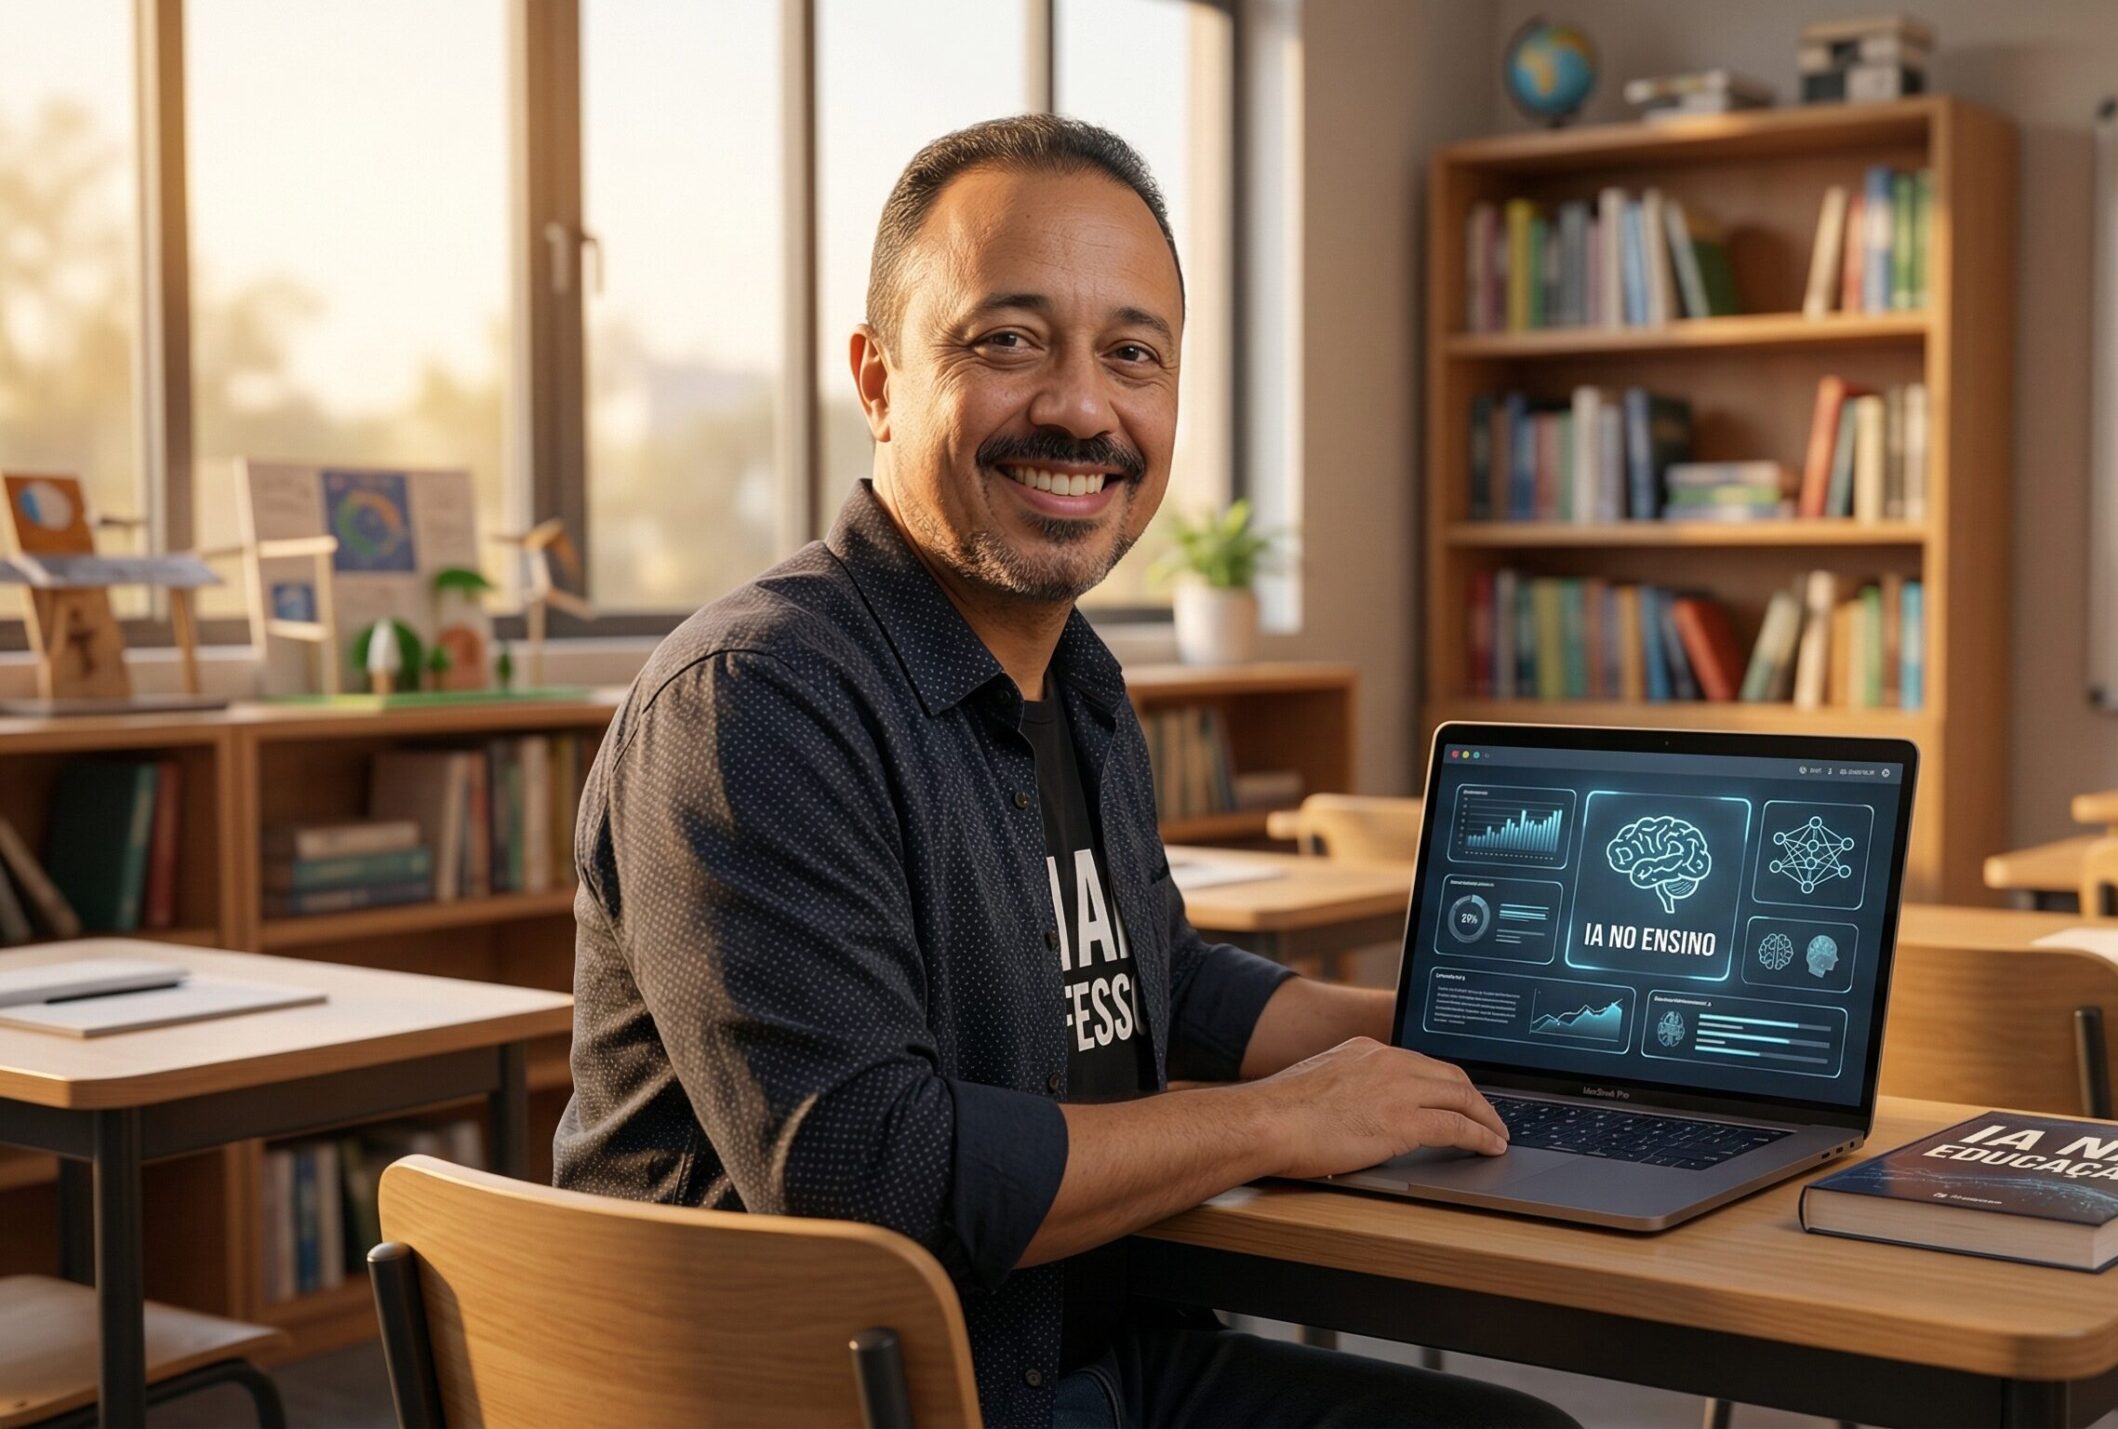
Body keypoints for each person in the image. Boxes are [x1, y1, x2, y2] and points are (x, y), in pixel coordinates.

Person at [553, 115, 1576, 1429]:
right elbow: (872, 1176)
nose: (1083, 408)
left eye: (1131, 355)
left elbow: (1155, 979)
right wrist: (1280, 1120)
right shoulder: (756, 701)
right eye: (1008, 341)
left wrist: (1456, 1034)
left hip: (1085, 1350)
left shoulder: (1073, 673)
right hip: (869, 1396)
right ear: (877, 379)